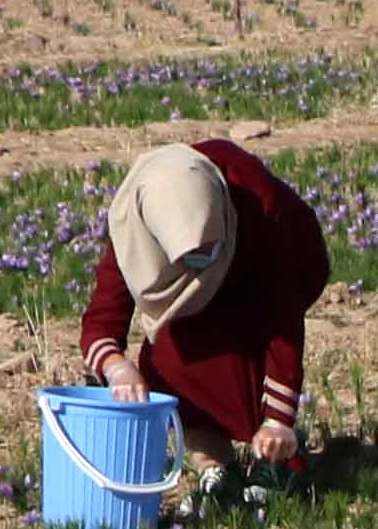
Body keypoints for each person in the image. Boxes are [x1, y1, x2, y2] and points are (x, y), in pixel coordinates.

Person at [74, 138, 328, 494]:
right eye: (192, 256)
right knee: (166, 363)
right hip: (198, 300)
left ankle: (276, 460)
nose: (202, 263)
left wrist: (278, 420)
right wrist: (117, 367)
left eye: (210, 249)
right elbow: (102, 320)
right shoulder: (140, 223)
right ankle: (214, 465)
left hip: (280, 266)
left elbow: (281, 320)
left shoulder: (256, 208)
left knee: (242, 361)